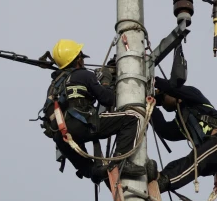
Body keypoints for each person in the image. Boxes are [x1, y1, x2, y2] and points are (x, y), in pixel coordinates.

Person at [42, 39, 147, 182]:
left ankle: (96, 172)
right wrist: (106, 81)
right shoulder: (83, 75)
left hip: (61, 137)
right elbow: (108, 99)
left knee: (90, 169)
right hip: (80, 126)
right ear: (78, 60)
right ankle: (121, 162)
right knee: (133, 117)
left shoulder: (54, 86)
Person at [150, 76, 217, 193]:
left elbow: (173, 88)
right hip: (210, 160)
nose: (163, 104)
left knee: (195, 160)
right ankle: (159, 177)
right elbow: (164, 129)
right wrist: (151, 106)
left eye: (163, 98)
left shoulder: (194, 98)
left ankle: (166, 181)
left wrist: (155, 81)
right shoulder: (181, 122)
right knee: (177, 165)